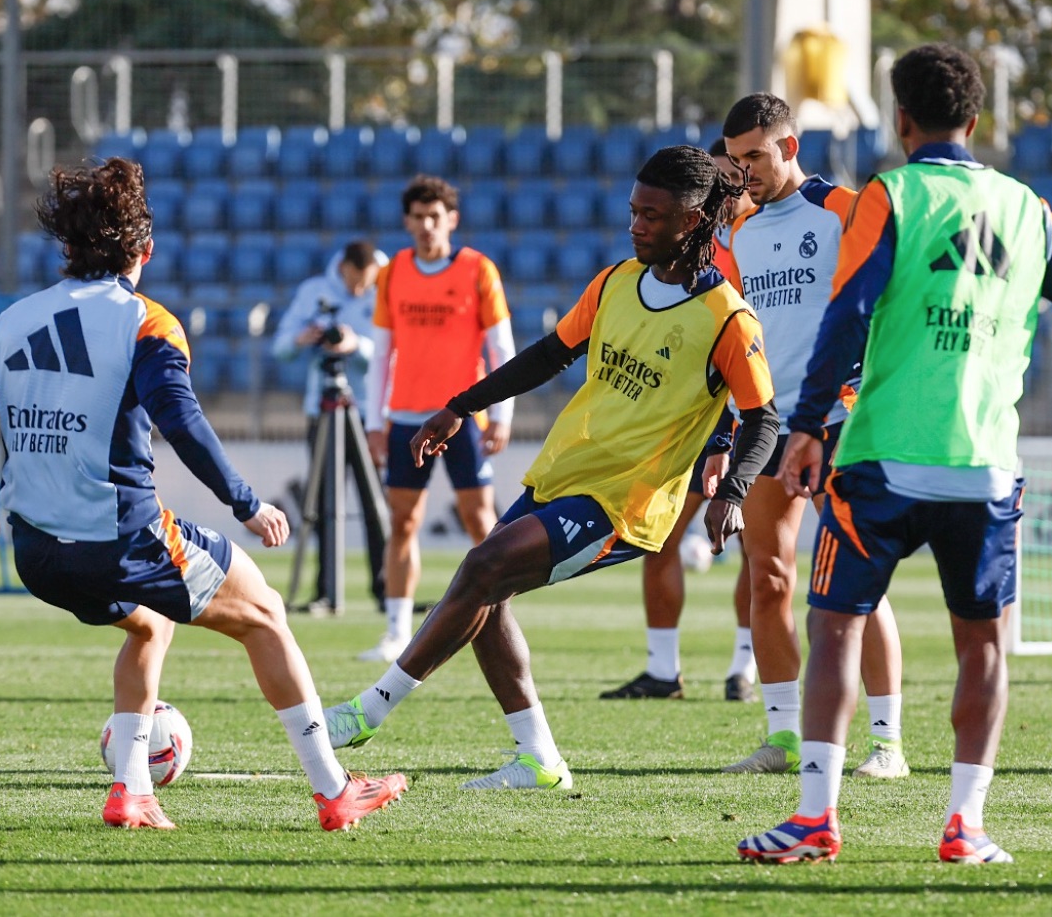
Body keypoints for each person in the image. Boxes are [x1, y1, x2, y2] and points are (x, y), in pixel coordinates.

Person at [324, 144, 780, 790]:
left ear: (695, 219)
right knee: (489, 593)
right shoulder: (616, 281)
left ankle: (368, 710)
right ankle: (538, 759)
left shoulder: (726, 317)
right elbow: (547, 355)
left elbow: (763, 417)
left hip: (627, 503)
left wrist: (731, 491)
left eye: (653, 215)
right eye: (633, 211)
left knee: (482, 567)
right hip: (564, 474)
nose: (636, 225)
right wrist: (460, 406)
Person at [739, 44, 1052, 865]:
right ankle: (965, 826)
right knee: (982, 645)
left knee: (834, 626)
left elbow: (848, 310)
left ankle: (815, 818)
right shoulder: (1029, 208)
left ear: (901, 120)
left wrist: (805, 425)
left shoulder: (890, 196)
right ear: (976, 120)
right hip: (986, 463)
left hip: (882, 459)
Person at [0, 157, 405, 831]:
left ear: (66, 249)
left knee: (150, 623)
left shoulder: (10, 321)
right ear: (145, 250)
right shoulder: (146, 322)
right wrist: (247, 502)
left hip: (36, 553)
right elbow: (180, 420)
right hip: (121, 541)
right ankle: (335, 790)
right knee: (267, 614)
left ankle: (130, 792)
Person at [714, 93, 909, 779]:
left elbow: (889, 301)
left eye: (755, 158)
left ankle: (887, 745)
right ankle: (783, 739)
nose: (742, 175)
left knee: (859, 580)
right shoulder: (738, 232)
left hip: (840, 418)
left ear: (790, 147)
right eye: (735, 163)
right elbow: (737, 337)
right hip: (766, 424)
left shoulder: (845, 210)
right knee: (766, 579)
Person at [599, 139, 758, 702]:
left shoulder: (762, 247)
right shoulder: (693, 256)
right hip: (699, 425)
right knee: (658, 540)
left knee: (759, 552)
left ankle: (744, 666)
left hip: (762, 423)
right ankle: (663, 670)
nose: (722, 191)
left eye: (729, 179)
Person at [360, 174, 516, 663]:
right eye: (418, 217)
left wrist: (503, 414)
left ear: (451, 220)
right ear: (407, 221)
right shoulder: (393, 273)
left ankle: (498, 620)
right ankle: (395, 630)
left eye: (435, 216)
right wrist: (374, 420)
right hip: (406, 416)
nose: (427, 226)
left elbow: (501, 347)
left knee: (480, 520)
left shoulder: (477, 270)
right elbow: (382, 351)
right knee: (403, 521)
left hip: (463, 416)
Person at [272, 240, 387, 612]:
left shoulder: (388, 286)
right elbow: (280, 349)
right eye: (355, 282)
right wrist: (301, 338)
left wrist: (358, 346)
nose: (358, 291)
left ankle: (387, 591)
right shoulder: (313, 292)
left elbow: (394, 349)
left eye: (365, 284)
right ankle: (324, 591)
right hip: (322, 404)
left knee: (376, 502)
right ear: (343, 269)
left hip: (373, 411)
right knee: (323, 502)